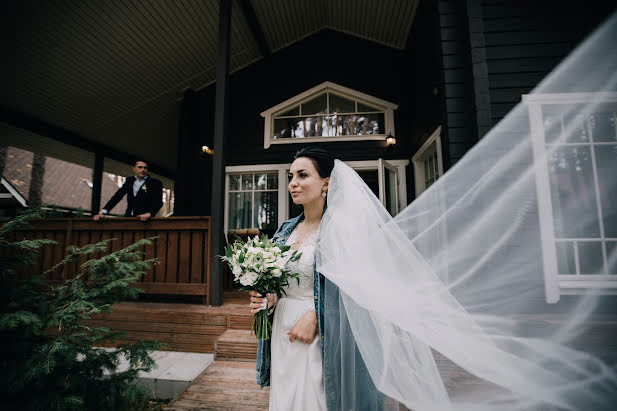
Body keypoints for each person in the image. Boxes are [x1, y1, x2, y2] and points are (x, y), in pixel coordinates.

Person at [249, 147, 382, 410]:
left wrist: (315, 316)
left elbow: (360, 291)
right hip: (282, 330)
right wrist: (268, 299)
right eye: (291, 176)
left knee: (316, 399)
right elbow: (282, 284)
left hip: (322, 331)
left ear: (326, 182)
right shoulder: (285, 230)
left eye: (302, 175)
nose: (293, 183)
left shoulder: (343, 230)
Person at [93, 160, 163, 222]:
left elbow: (158, 202)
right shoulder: (129, 181)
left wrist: (149, 213)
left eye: (145, 168)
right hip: (129, 218)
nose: (143, 170)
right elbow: (117, 197)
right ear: (134, 168)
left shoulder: (155, 183)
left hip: (146, 220)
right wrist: (103, 212)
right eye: (140, 167)